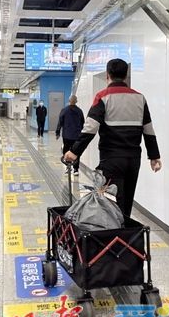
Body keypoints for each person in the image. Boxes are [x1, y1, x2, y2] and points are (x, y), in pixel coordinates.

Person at [64, 59, 161, 218]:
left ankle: (114, 233)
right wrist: (154, 156)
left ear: (108, 75)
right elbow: (148, 129)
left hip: (111, 159)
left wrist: (74, 152)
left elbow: (90, 128)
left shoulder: (103, 97)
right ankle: (125, 231)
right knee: (127, 202)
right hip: (133, 159)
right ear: (126, 75)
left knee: (110, 204)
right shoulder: (140, 98)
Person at [55, 95, 85, 176]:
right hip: (76, 135)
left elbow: (60, 122)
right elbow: (82, 123)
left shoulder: (64, 110)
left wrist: (57, 132)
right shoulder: (79, 111)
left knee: (66, 151)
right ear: (76, 101)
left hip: (67, 135)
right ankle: (76, 169)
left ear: (69, 101)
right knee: (76, 152)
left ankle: (68, 167)